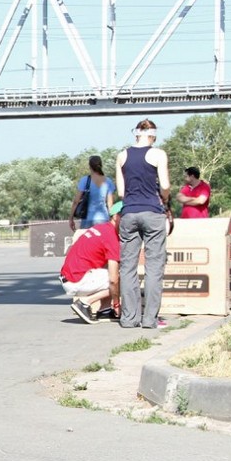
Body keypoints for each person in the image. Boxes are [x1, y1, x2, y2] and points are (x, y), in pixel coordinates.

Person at [115, 119, 171, 330]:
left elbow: (121, 192)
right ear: (153, 135)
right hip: (152, 212)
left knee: (127, 267)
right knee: (154, 267)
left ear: (135, 134)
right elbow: (164, 185)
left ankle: (129, 319)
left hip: (129, 212)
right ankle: (150, 320)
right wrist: (164, 198)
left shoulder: (122, 156)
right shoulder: (158, 154)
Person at [60, 201, 123, 323]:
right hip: (76, 280)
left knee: (110, 272)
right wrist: (116, 304)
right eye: (126, 216)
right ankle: (84, 303)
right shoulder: (112, 238)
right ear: (116, 216)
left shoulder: (101, 228)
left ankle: (104, 310)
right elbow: (113, 280)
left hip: (69, 276)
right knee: (119, 278)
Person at [68, 155, 116, 232]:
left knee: (87, 243)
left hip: (87, 219)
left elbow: (76, 201)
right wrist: (113, 218)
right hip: (103, 218)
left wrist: (71, 218)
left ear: (90, 167)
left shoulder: (85, 180)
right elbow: (110, 204)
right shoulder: (108, 181)